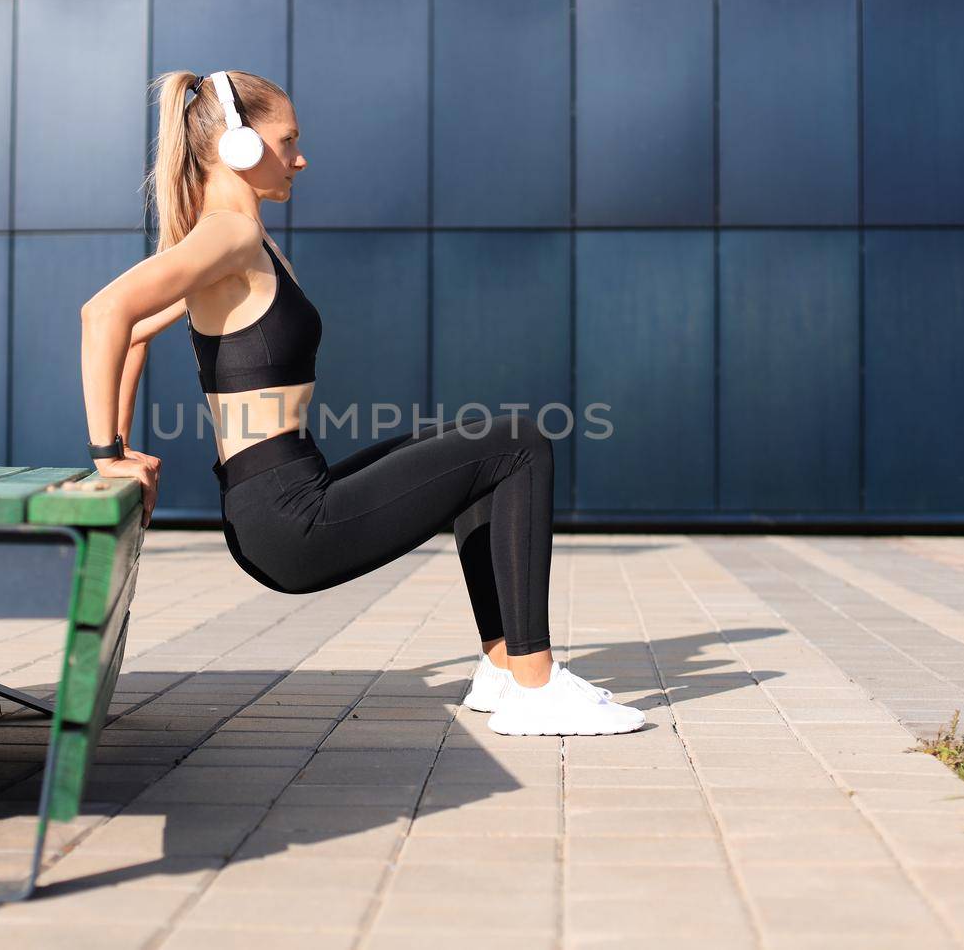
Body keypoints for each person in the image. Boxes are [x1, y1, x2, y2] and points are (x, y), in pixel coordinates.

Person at [77, 69, 643, 737]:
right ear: (239, 147)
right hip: (290, 518)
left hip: (285, 492)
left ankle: (502, 668)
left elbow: (135, 335)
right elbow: (105, 314)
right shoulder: (225, 235)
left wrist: (120, 445)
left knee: (476, 448)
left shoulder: (240, 241)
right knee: (520, 443)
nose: (300, 157)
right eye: (288, 140)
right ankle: (536, 684)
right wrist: (107, 454)